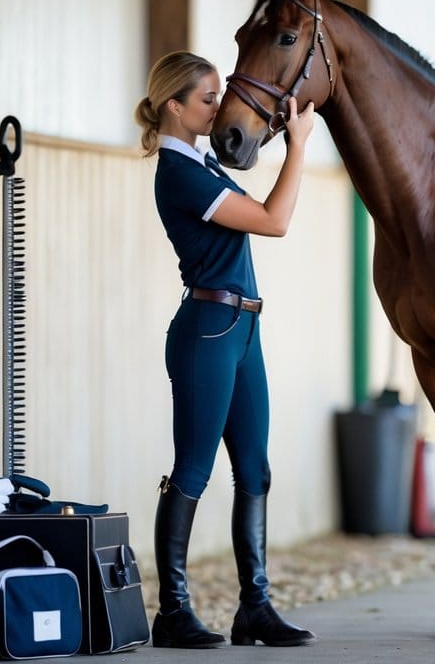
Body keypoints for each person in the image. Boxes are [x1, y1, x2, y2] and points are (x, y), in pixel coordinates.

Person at [133, 51, 317, 649]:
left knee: (254, 472)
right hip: (208, 329)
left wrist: (278, 128)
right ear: (174, 107)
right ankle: (173, 611)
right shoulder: (179, 172)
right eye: (207, 99)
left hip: (241, 329)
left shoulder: (205, 163)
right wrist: (299, 148)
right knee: (192, 470)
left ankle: (255, 607)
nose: (218, 108)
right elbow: (273, 220)